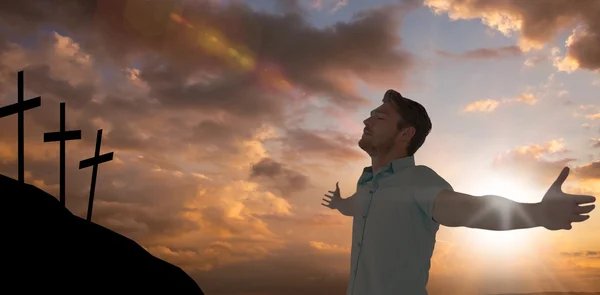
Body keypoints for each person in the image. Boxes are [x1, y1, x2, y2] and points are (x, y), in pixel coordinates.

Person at [321, 89, 597, 295]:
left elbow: (468, 209)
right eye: (369, 116)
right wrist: (339, 203)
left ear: (405, 133)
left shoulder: (419, 182)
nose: (367, 122)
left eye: (379, 117)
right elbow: (357, 206)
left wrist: (538, 212)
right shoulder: (367, 185)